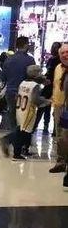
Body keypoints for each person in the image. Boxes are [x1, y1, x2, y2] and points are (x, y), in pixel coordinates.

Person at [0, 65, 50, 161]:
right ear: (36, 74)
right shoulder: (35, 86)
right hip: (29, 111)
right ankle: (8, 140)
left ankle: (17, 152)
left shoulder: (23, 83)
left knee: (20, 130)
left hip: (20, 109)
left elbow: (17, 96)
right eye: (40, 72)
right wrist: (46, 101)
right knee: (24, 132)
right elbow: (35, 100)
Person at [0, 36, 35, 130]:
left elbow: (3, 78)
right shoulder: (30, 60)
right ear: (26, 45)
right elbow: (33, 76)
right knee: (24, 116)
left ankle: (14, 133)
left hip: (10, 92)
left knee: (12, 114)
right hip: (25, 92)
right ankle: (22, 135)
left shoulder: (8, 59)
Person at [34, 42, 61, 134]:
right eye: (53, 47)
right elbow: (48, 72)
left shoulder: (58, 60)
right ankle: (42, 125)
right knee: (44, 106)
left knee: (51, 107)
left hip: (55, 86)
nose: (54, 49)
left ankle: (53, 129)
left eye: (56, 47)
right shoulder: (51, 60)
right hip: (48, 86)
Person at [49, 43, 68, 174]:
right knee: (60, 136)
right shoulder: (58, 68)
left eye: (67, 52)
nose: (65, 55)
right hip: (58, 107)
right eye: (62, 53)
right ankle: (60, 162)